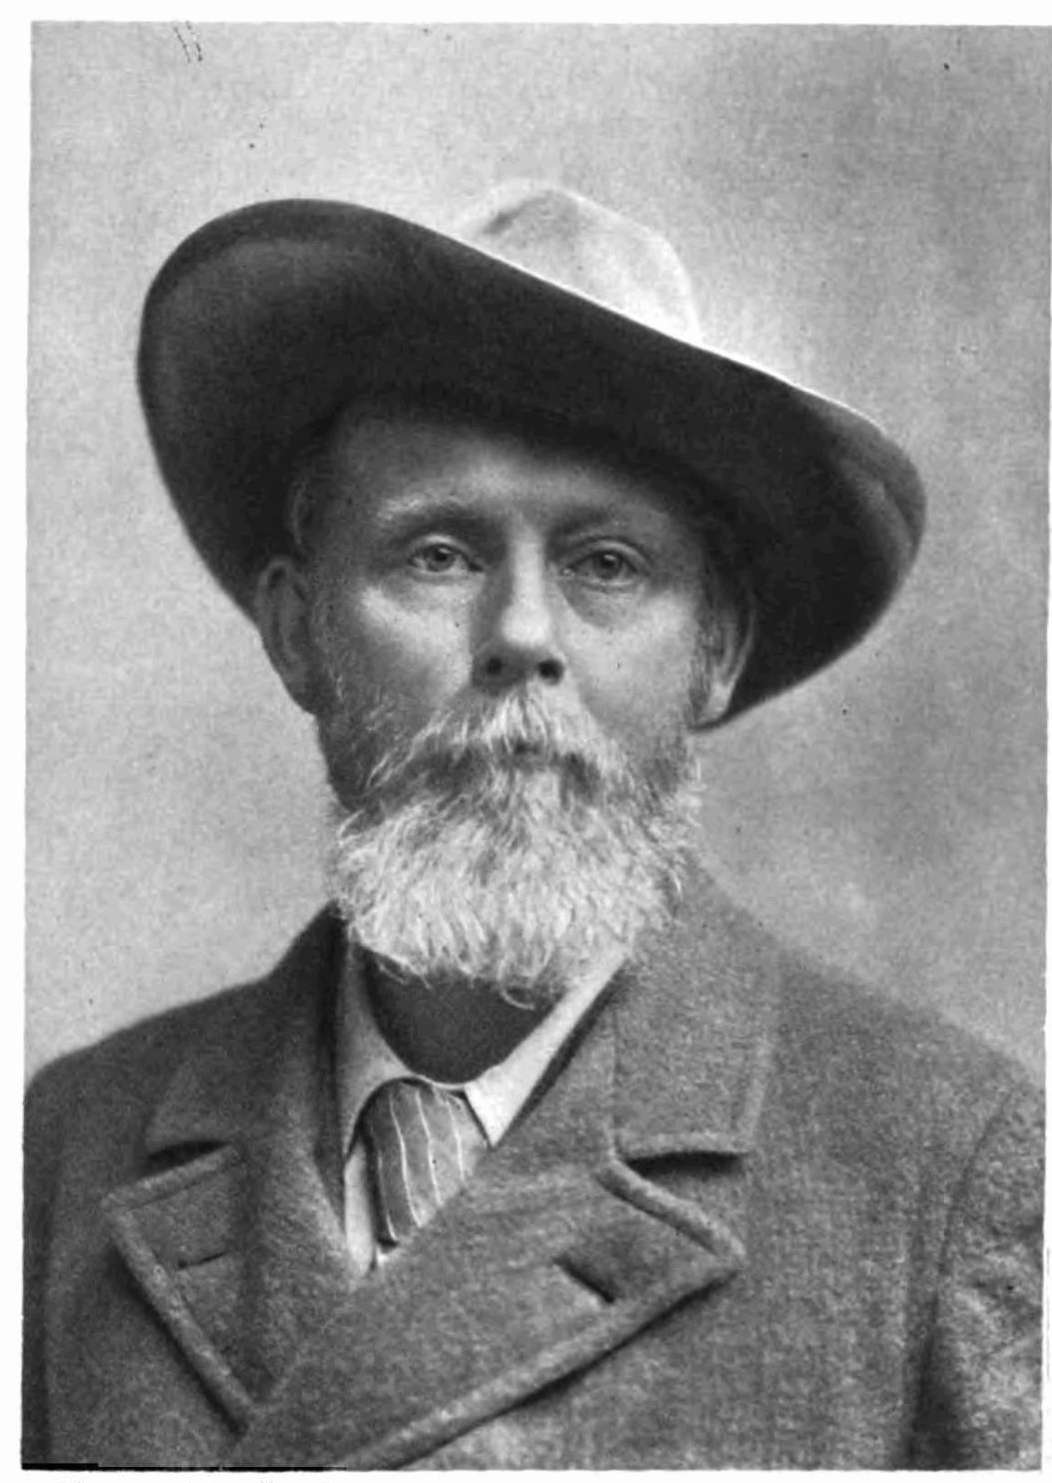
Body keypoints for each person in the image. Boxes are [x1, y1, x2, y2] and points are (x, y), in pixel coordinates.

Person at [23, 182, 1041, 1469]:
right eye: (438, 555)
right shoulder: (73, 1148)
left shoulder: (940, 1165)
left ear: (715, 651)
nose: (518, 634)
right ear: (296, 630)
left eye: (605, 564)